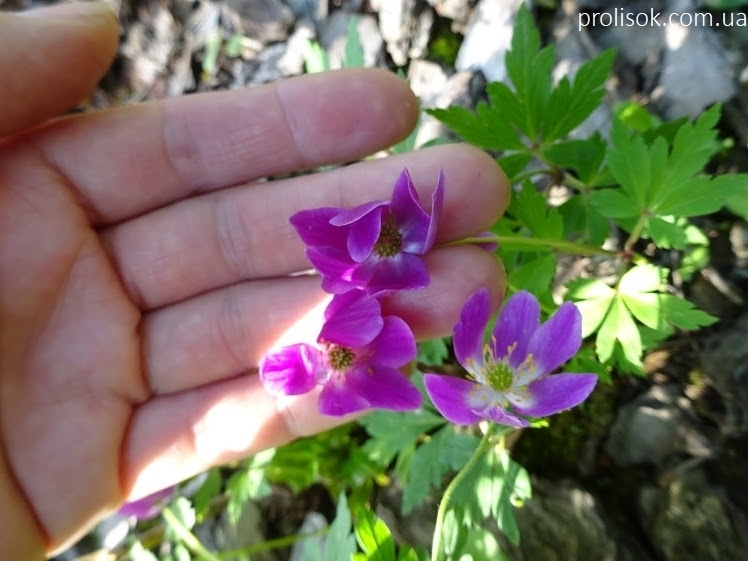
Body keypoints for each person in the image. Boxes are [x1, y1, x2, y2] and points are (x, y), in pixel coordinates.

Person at [0, 2, 509, 558]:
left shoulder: (360, 299)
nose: (336, 356)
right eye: (336, 354)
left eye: (336, 353)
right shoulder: (341, 329)